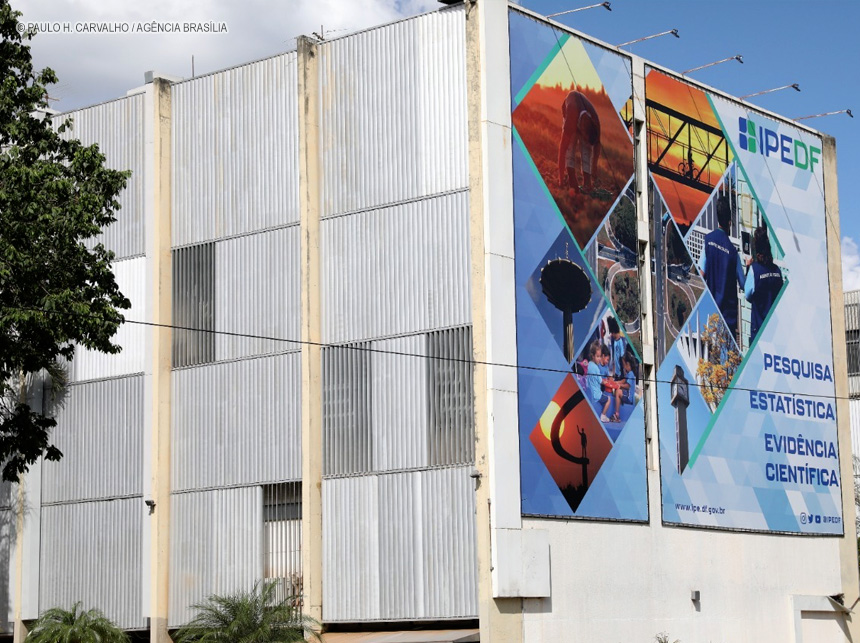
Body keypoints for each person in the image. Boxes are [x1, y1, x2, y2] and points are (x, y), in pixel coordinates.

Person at [698, 195, 745, 338]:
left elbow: (702, 273)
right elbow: (743, 284)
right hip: (727, 318)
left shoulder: (708, 241)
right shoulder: (733, 253)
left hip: (710, 312)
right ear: (730, 222)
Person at [557, 90, 602, 195]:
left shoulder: (595, 121)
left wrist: (594, 166)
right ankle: (572, 181)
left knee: (587, 149)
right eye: (585, 138)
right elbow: (562, 149)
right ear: (582, 130)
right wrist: (561, 179)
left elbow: (597, 144)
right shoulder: (571, 121)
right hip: (570, 111)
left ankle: (587, 183)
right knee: (570, 147)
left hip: (582, 113)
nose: (585, 142)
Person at [744, 226, 783, 344]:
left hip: (759, 329)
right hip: (775, 332)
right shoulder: (777, 271)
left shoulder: (754, 270)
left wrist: (748, 267)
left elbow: (748, 295)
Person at [586, 340, 613, 423]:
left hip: (590, 391)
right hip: (597, 395)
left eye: (600, 356)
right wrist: (606, 382)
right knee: (608, 399)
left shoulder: (589, 365)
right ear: (593, 356)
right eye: (597, 356)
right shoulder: (596, 368)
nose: (599, 359)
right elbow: (601, 381)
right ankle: (603, 416)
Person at [611, 353, 637, 422]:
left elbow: (628, 386)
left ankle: (616, 415)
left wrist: (619, 385)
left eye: (624, 365)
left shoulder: (631, 374)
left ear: (628, 364)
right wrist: (616, 382)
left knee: (618, 392)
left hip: (629, 398)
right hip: (626, 394)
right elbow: (623, 380)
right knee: (617, 391)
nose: (623, 367)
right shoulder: (629, 373)